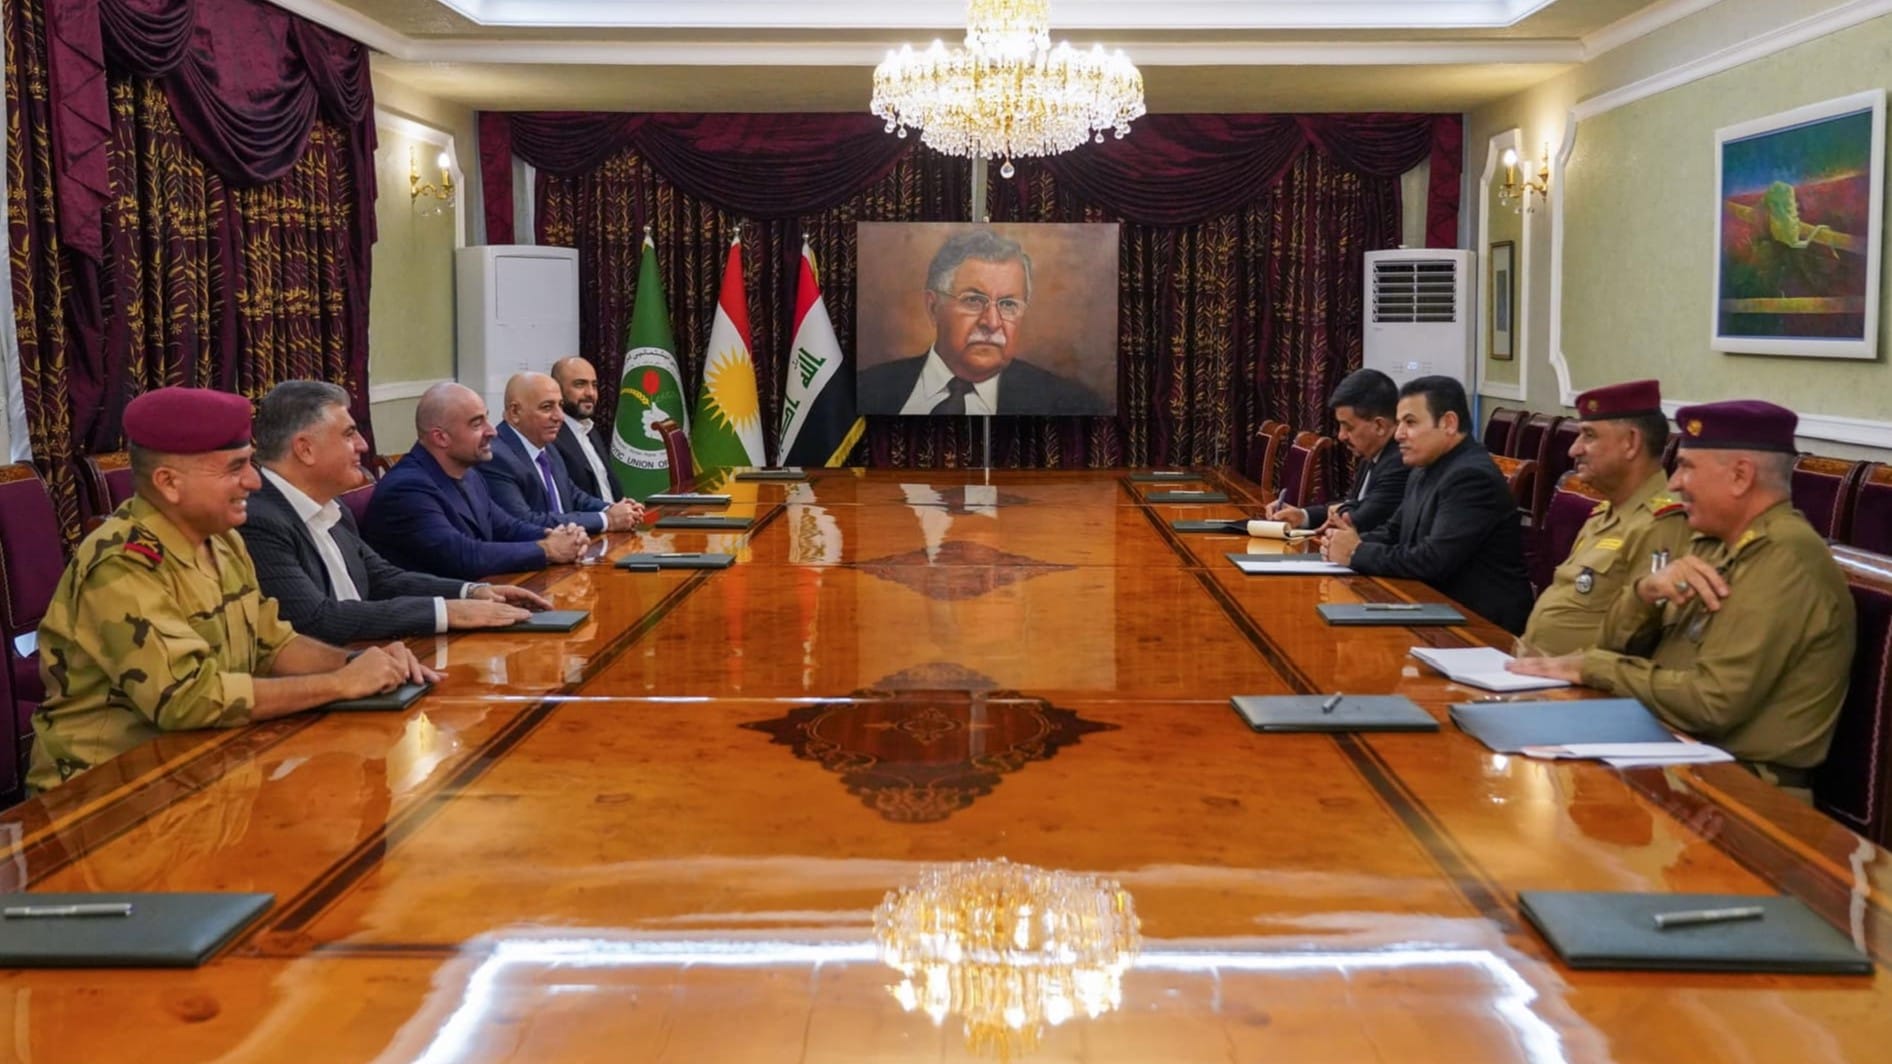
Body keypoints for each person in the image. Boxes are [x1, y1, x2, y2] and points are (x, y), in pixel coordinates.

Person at [29, 387, 434, 791]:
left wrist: (362, 664)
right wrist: (339, 684)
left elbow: (272, 645)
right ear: (169, 483)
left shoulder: (222, 541)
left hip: (203, 768)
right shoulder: (124, 563)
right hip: (105, 793)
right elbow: (187, 699)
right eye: (234, 468)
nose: (254, 481)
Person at [1510, 400, 1855, 791]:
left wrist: (1594, 667)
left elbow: (1712, 704)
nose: (1674, 483)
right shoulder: (1712, 544)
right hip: (1669, 753)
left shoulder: (1784, 558)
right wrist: (1643, 594)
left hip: (1739, 788)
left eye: (1687, 467)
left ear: (1740, 476)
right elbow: (1614, 645)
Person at [242, 381, 550, 645]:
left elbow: (382, 579)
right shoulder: (259, 521)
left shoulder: (333, 508)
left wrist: (472, 592)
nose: (363, 445)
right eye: (349, 434)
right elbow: (316, 619)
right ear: (305, 449)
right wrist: (447, 611)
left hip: (372, 658)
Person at [1322, 375, 1534, 634]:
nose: (1398, 434)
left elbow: (1432, 561)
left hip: (1480, 627)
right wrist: (1340, 543)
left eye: (1410, 422)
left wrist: (1357, 552)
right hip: (1434, 608)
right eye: (1399, 422)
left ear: (1448, 423)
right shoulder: (1424, 467)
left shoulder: (1471, 476)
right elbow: (1394, 532)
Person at [1520, 379, 1692, 656]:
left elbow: (1643, 639)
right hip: (1532, 667)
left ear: (1631, 443)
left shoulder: (1662, 523)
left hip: (1580, 680)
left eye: (1589, 436)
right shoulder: (1605, 512)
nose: (1574, 449)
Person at [857, 229, 1105, 416]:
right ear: (933, 308)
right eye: (974, 300)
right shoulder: (865, 391)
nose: (992, 323)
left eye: (1008, 304)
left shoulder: (1071, 404)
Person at [362, 382, 592, 581]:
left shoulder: (469, 474)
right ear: (440, 437)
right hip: (433, 610)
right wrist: (547, 550)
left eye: (486, 419)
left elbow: (507, 527)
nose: (492, 431)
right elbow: (464, 556)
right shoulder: (407, 489)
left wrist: (557, 537)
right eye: (476, 424)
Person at [480, 372, 643, 532]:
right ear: (515, 412)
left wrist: (614, 509)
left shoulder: (548, 446)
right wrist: (607, 519)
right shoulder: (496, 457)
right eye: (547, 407)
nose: (559, 416)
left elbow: (572, 495)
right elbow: (525, 521)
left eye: (560, 405)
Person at [1263, 368, 1409, 535]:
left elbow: (1359, 518)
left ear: (1379, 426)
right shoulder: (1373, 453)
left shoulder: (1400, 461)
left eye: (1348, 427)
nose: (1341, 436)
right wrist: (1302, 515)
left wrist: (1344, 508)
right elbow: (1351, 504)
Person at [551, 356, 621, 502]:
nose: (590, 393)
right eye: (580, 384)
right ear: (557, 389)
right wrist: (608, 512)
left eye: (594, 385)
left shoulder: (590, 430)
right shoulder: (551, 435)